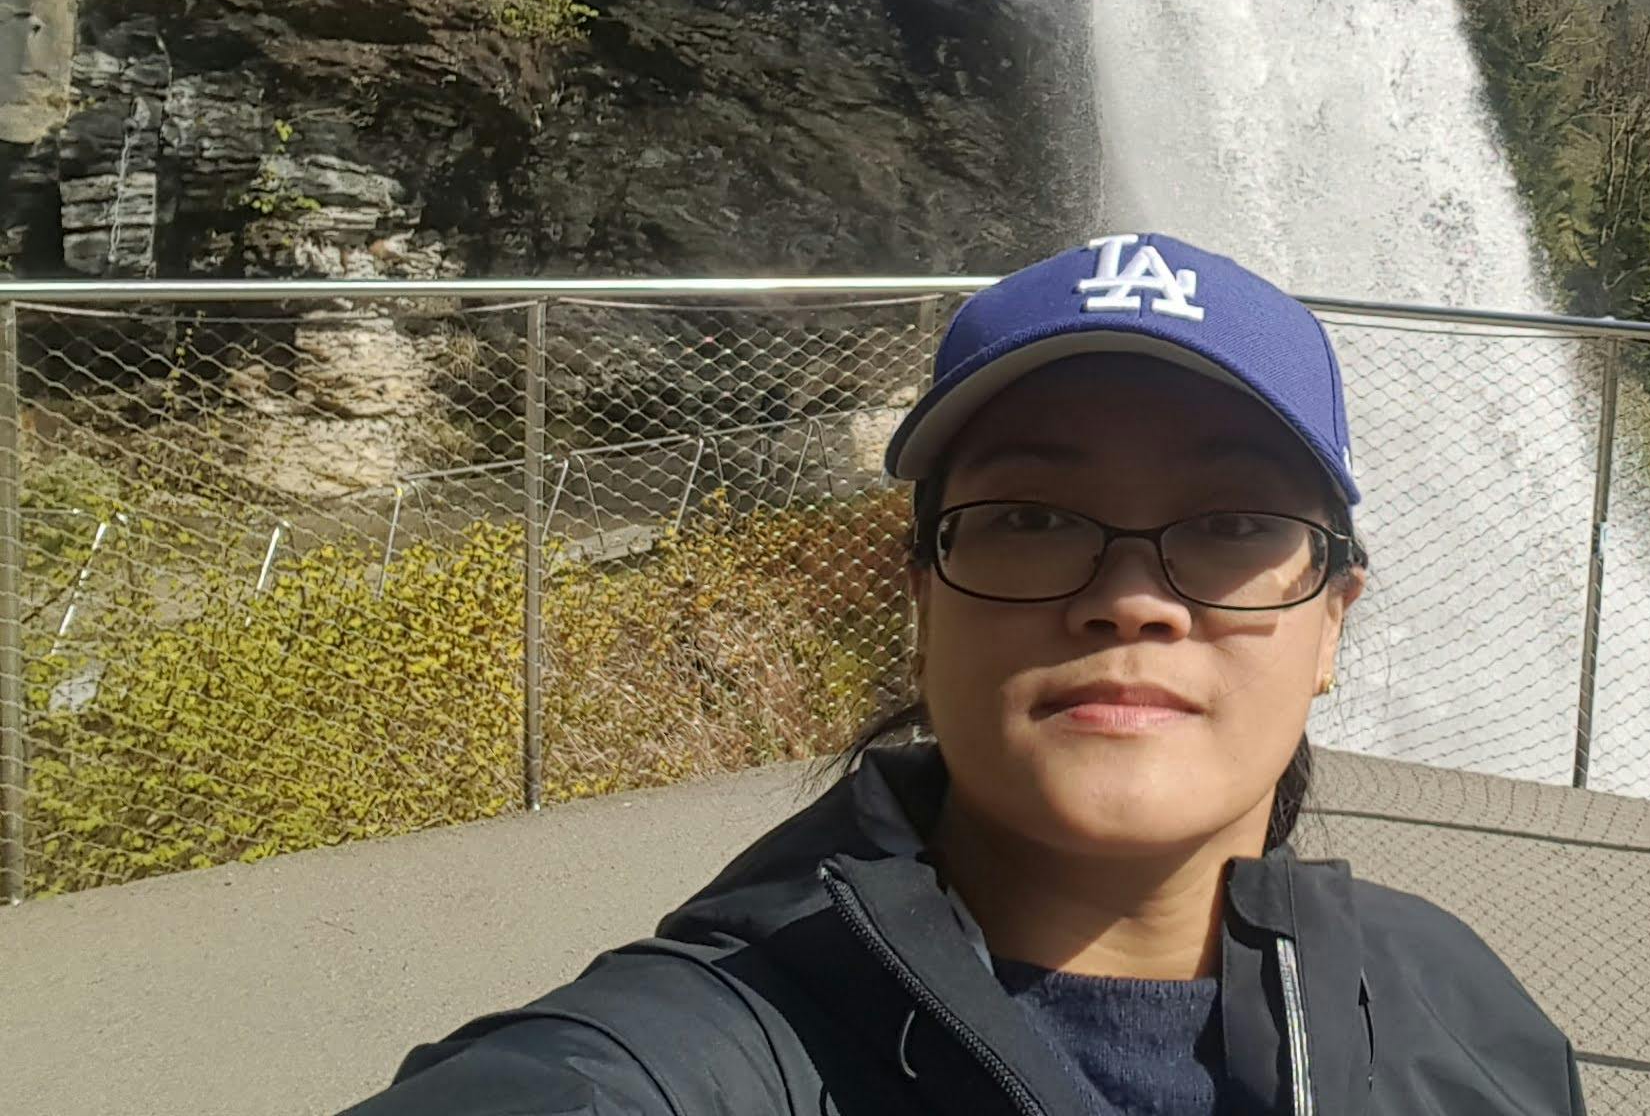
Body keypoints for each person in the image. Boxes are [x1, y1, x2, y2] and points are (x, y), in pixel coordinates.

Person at [342, 232, 1584, 1115]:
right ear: (924, 597)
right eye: (1034, 520)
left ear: (1332, 623)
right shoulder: (693, 1058)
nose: (1132, 600)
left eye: (1231, 523)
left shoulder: (1466, 1013)